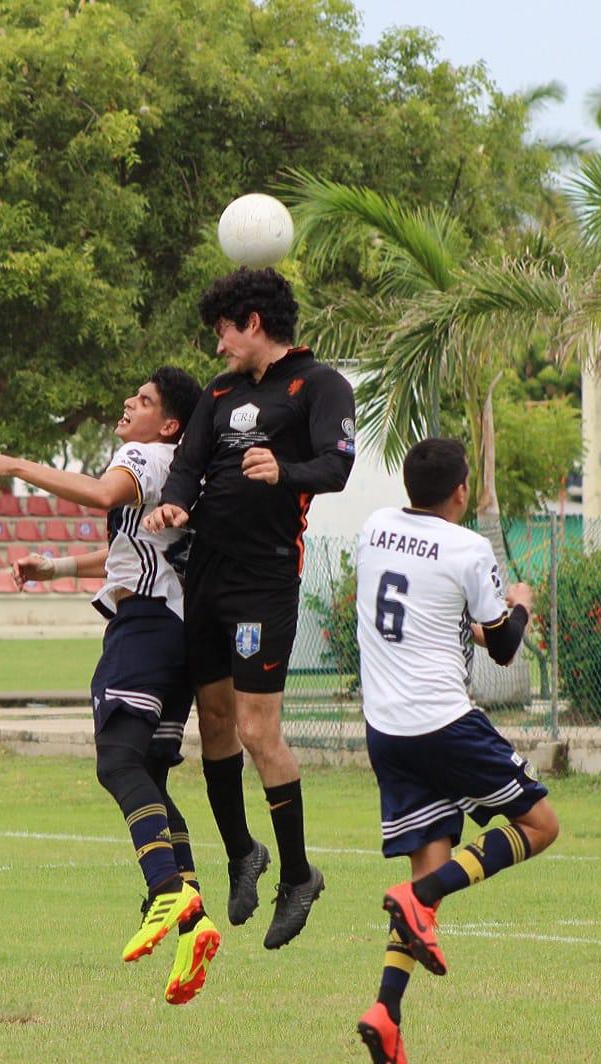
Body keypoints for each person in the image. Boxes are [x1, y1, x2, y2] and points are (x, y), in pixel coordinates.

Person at [0, 367, 218, 1005]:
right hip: (179, 636)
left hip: (145, 630)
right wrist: (54, 568)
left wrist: (15, 464)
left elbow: (102, 497)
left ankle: (165, 890)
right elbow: (132, 545)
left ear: (171, 424)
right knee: (147, 774)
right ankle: (191, 919)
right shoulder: (177, 472)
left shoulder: (145, 456)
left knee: (116, 761)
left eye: (147, 400)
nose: (129, 403)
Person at [144, 267, 356, 950]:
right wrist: (175, 501)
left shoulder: (320, 386)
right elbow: (190, 465)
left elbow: (338, 465)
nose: (218, 348)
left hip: (263, 581)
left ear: (254, 324)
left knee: (259, 730)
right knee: (213, 725)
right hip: (206, 573)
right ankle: (242, 852)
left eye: (224, 333)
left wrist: (284, 472)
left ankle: (297, 874)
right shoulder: (220, 393)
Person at [353, 437, 560, 1064]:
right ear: (462, 492)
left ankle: (386, 1012)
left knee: (430, 873)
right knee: (540, 826)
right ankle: (420, 897)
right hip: (440, 722)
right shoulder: (470, 549)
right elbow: (504, 649)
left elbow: (425, 615)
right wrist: (521, 602)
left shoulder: (377, 528)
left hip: (387, 730)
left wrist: (479, 622)